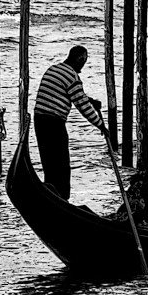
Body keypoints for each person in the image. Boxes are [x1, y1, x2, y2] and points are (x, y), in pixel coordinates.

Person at [32, 45, 106, 200]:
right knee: (62, 166)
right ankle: (62, 199)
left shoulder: (53, 69)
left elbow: (71, 95)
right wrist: (100, 125)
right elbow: (82, 106)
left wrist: (91, 101)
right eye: (84, 61)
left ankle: (51, 195)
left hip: (39, 120)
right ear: (81, 60)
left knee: (49, 163)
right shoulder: (72, 77)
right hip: (54, 122)